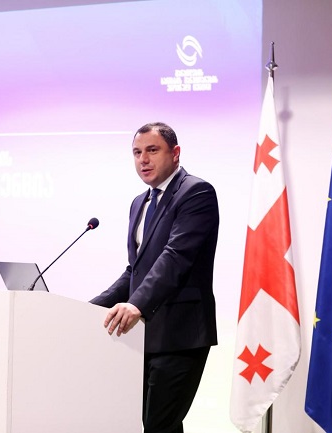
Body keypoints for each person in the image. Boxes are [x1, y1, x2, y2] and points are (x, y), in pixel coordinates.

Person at [90, 122, 219, 433]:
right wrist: (89, 307)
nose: (143, 160)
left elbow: (176, 257)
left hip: (181, 334)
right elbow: (135, 270)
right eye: (137, 153)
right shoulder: (140, 202)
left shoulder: (196, 193)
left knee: (159, 426)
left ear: (175, 153)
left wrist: (136, 305)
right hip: (143, 337)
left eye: (152, 150)